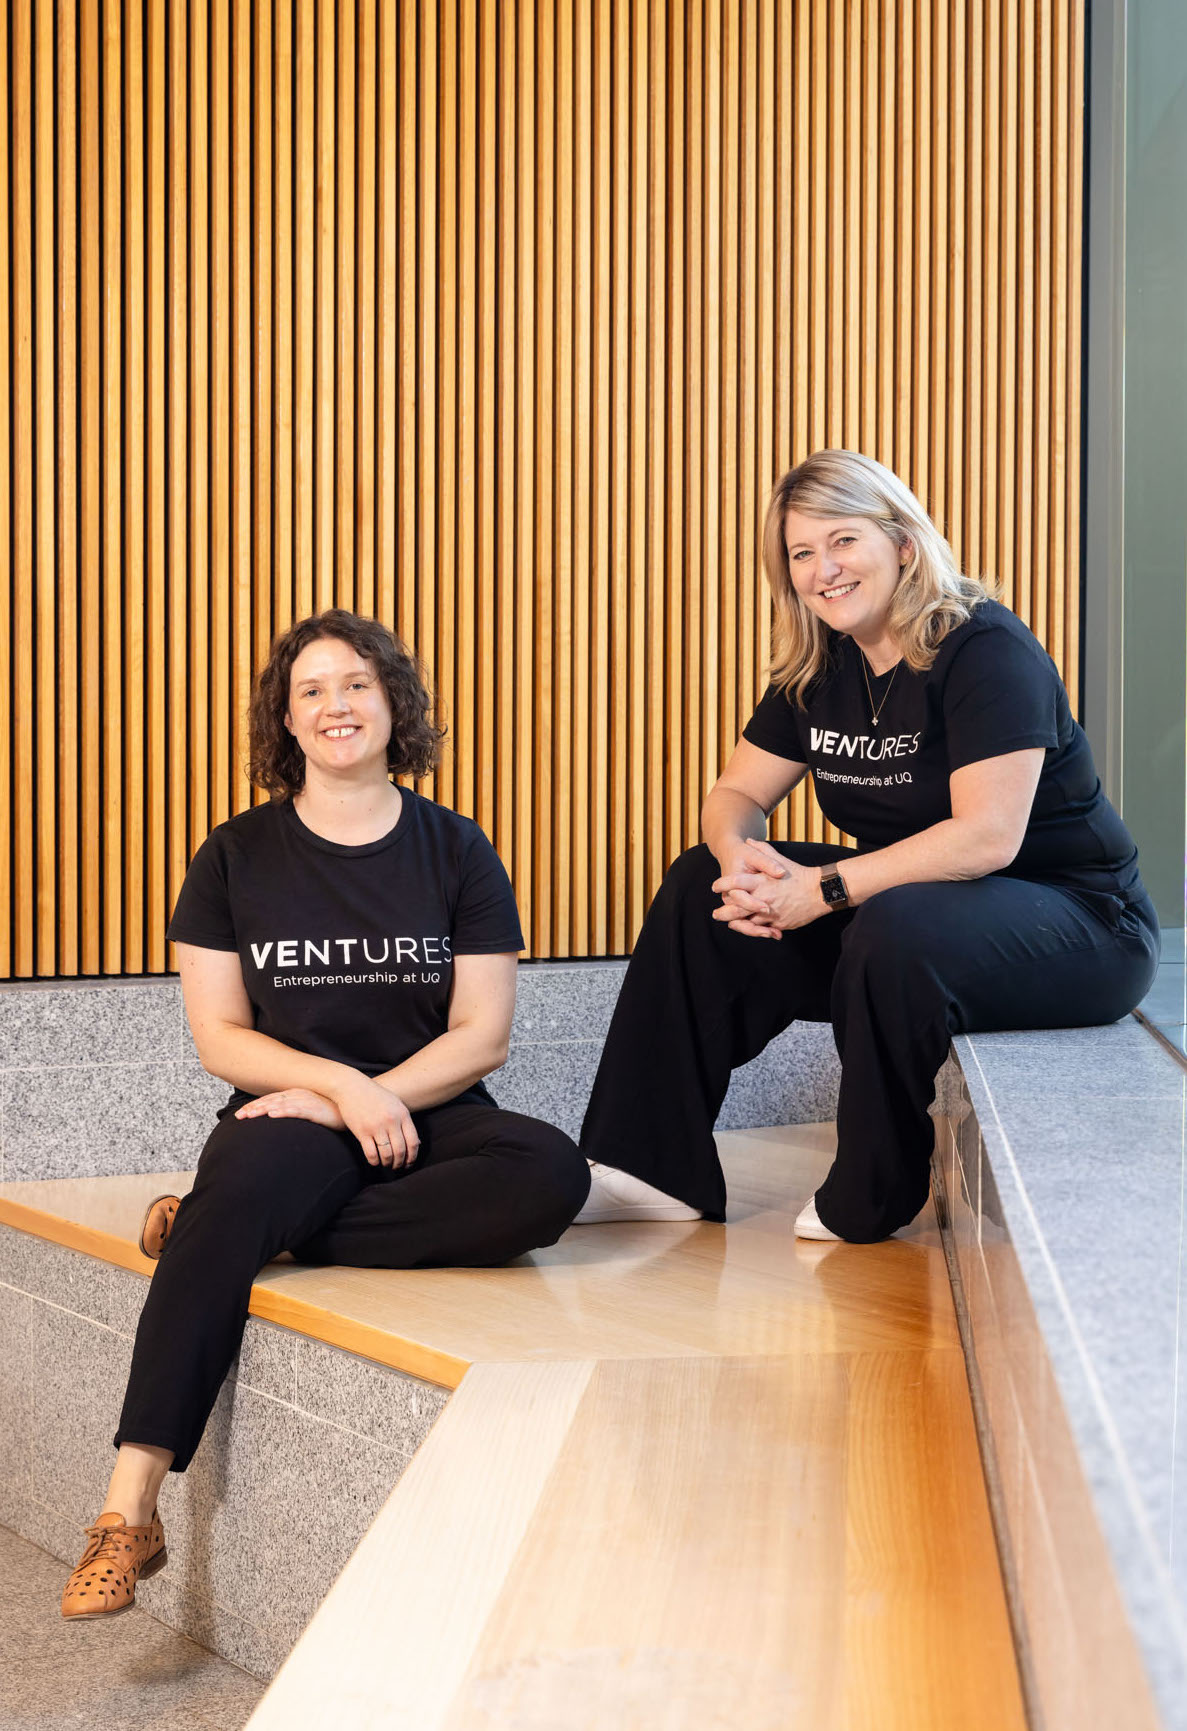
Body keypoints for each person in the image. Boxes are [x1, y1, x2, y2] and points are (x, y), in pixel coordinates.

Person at [61, 610, 589, 1619]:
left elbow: (481, 1036)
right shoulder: (234, 856)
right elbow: (220, 1036)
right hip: (288, 1121)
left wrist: (378, 1094)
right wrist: (337, 1090)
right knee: (252, 1183)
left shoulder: (456, 848)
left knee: (550, 1174)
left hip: (430, 1111)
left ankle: (228, 1226)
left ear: (392, 705)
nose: (335, 705)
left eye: (355, 684)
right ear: (286, 723)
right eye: (311, 691)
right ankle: (127, 1507)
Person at [577, 449, 1159, 1242]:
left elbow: (986, 837)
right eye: (801, 553)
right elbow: (736, 795)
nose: (824, 569)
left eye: (842, 540)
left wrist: (820, 889)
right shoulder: (819, 666)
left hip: (1079, 922)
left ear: (903, 545)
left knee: (895, 923)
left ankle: (872, 1193)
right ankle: (649, 1168)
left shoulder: (983, 647)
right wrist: (740, 858)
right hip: (924, 913)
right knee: (694, 888)